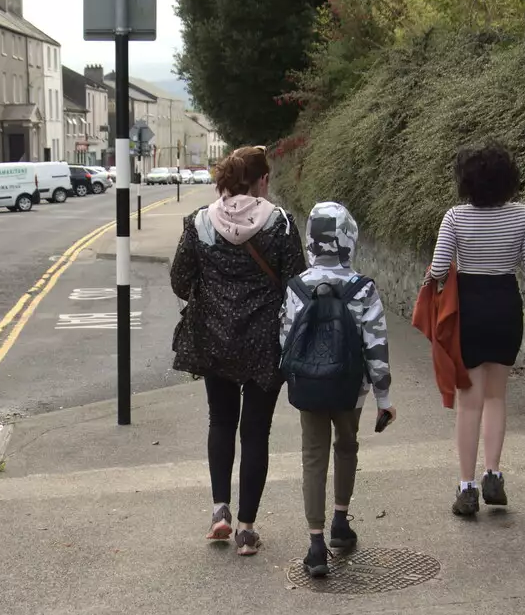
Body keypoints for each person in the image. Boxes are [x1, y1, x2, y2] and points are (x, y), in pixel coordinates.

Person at [170, 146, 305, 555]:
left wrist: (211, 295)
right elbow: (296, 282)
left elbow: (179, 280)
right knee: (256, 432)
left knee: (221, 422)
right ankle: (247, 529)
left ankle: (220, 512)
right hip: (264, 342)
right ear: (262, 180)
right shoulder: (279, 224)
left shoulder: (199, 223)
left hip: (214, 338)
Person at [425, 142, 525, 516]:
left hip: (469, 308)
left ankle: (466, 488)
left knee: (470, 402)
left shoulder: (455, 218)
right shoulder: (522, 217)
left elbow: (437, 269)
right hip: (505, 306)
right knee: (497, 396)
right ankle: (493, 475)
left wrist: (432, 283)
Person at [279, 202, 396, 577]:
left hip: (309, 387)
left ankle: (315, 546)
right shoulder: (362, 289)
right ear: (349, 240)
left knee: (313, 456)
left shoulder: (296, 286)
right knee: (346, 446)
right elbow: (376, 346)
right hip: (350, 387)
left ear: (311, 240)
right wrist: (384, 398)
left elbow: (285, 339)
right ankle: (340, 525)